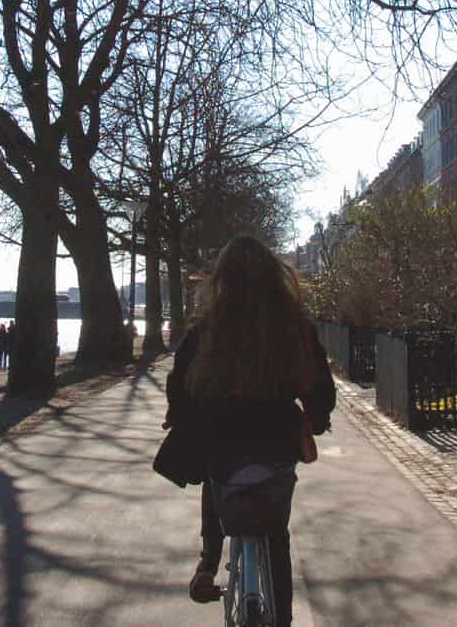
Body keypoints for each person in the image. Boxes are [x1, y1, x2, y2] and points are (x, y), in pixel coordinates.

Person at [162, 235, 334, 627]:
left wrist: (179, 414)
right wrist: (316, 418)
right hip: (278, 446)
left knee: (215, 469)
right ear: (275, 277)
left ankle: (208, 562)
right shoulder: (295, 328)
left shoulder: (207, 328)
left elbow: (179, 381)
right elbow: (321, 385)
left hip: (222, 443)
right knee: (276, 535)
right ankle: (282, 619)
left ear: (223, 278)